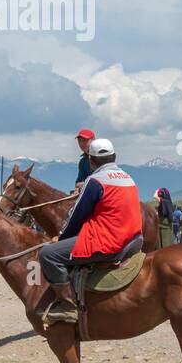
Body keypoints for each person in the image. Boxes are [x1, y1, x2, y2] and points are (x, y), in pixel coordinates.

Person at [37, 139, 142, 324]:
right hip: (133, 238)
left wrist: (61, 239)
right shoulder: (128, 178)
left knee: (48, 254)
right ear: (115, 157)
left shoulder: (95, 181)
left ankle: (67, 307)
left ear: (91, 161)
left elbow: (77, 216)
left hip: (109, 242)